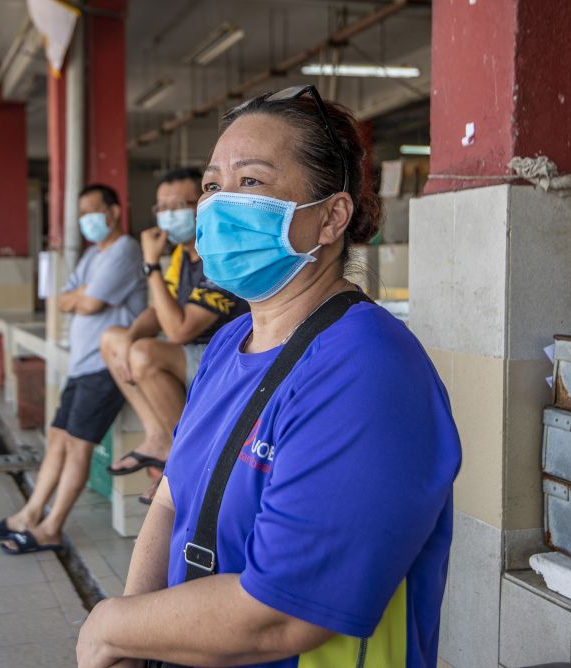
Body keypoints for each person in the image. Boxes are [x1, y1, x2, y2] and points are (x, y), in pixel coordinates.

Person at [76, 86, 461, 668]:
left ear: (331, 217)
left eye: (251, 182)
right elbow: (173, 501)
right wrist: (140, 631)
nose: (220, 204)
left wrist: (113, 626)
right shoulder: (232, 340)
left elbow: (282, 614)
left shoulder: (368, 369)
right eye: (212, 186)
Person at [0, 183, 147, 555]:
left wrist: (82, 297)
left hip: (105, 367)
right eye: (82, 213)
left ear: (115, 211)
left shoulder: (125, 250)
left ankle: (52, 527)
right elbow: (63, 298)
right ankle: (29, 514)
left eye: (93, 211)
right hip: (81, 364)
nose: (87, 219)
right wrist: (81, 296)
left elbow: (87, 305)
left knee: (77, 447)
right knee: (57, 438)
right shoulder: (91, 256)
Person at [100, 168, 248, 502]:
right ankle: (158, 436)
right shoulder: (182, 254)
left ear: (205, 204)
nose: (169, 215)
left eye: (179, 205)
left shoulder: (221, 253)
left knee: (144, 354)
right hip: (192, 354)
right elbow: (159, 310)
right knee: (113, 338)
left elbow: (179, 330)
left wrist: (150, 264)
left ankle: (185, 463)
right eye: (162, 207)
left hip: (224, 360)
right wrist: (128, 339)